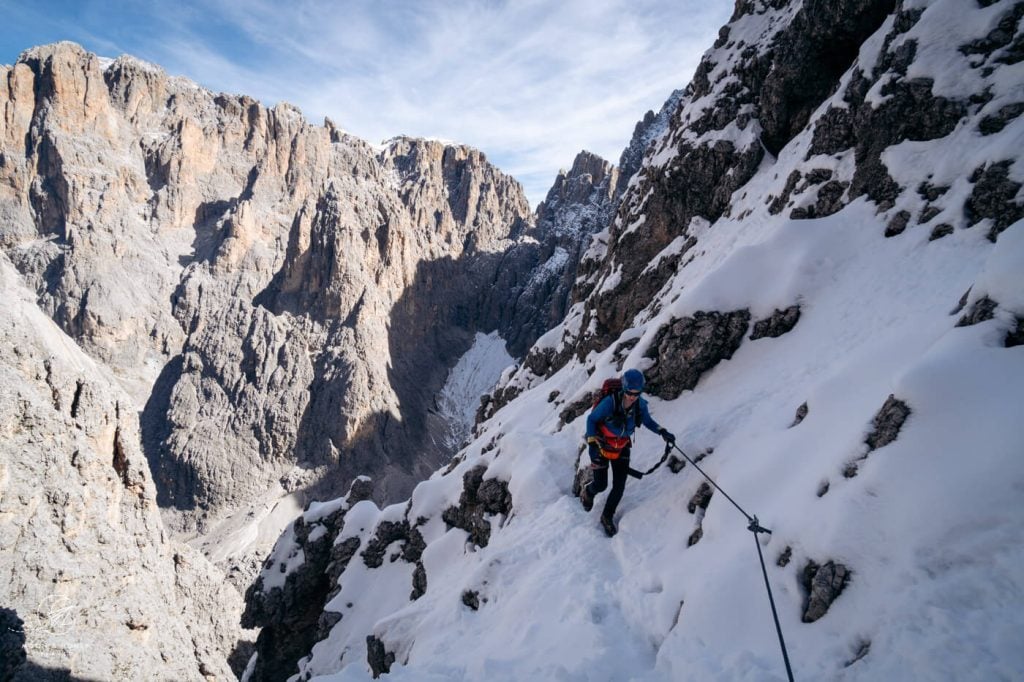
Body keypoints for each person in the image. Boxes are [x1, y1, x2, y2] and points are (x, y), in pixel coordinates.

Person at [580, 369, 675, 536]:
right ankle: (588, 492)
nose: (633, 396)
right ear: (624, 389)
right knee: (601, 485)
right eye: (630, 393)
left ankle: (607, 516)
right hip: (601, 445)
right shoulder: (610, 402)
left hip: (621, 446)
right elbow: (592, 419)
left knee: (619, 486)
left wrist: (662, 431)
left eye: (636, 393)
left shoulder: (640, 405)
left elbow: (647, 421)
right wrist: (592, 444)